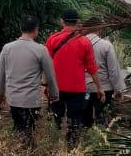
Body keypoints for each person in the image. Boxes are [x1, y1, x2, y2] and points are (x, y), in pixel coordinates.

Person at [0, 14, 57, 144]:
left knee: (18, 125)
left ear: (20, 28)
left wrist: (0, 93)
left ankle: (16, 153)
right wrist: (54, 93)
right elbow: (50, 74)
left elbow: (0, 73)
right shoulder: (40, 50)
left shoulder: (7, 48)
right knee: (29, 128)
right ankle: (24, 155)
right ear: (36, 30)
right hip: (31, 100)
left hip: (13, 98)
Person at [45, 9, 104, 142]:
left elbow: (46, 65)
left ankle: (54, 143)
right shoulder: (84, 42)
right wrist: (99, 87)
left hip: (56, 87)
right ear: (77, 22)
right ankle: (72, 147)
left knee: (56, 117)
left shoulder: (52, 39)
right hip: (77, 88)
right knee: (75, 119)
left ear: (62, 21)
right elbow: (92, 67)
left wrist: (46, 84)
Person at [86, 26, 128, 122]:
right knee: (102, 118)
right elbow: (113, 70)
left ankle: (84, 135)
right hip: (104, 89)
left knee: (85, 119)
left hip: (84, 89)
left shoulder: (78, 44)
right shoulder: (106, 45)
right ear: (100, 29)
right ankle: (101, 135)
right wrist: (118, 90)